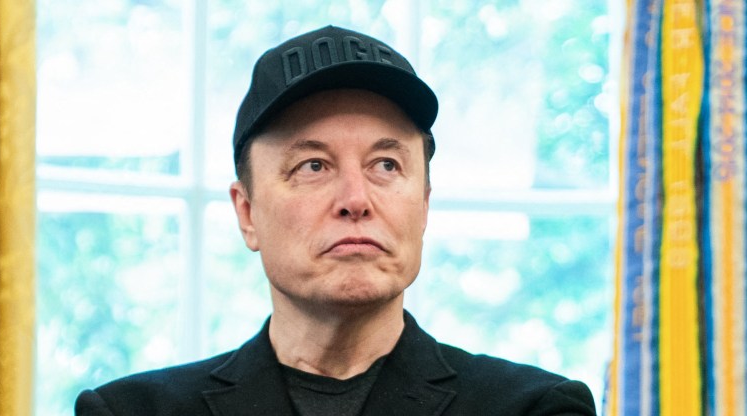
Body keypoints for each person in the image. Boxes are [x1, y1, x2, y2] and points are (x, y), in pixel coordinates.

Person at [75, 25, 597, 416]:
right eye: (313, 166)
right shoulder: (129, 412)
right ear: (248, 213)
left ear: (425, 205)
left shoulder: (535, 409)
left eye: (386, 165)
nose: (356, 198)